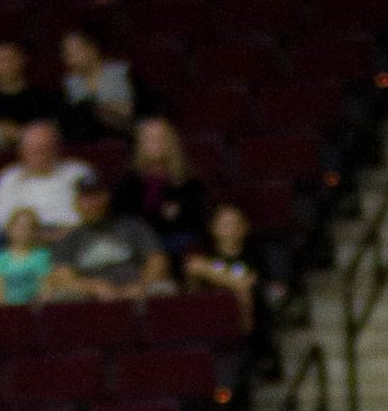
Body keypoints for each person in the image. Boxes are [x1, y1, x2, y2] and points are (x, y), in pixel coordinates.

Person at [43, 173, 171, 302]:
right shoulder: (70, 239)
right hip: (91, 298)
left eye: (97, 196)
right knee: (61, 296)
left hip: (137, 290)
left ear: (108, 198)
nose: (92, 203)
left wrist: (142, 284)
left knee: (164, 289)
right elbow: (63, 277)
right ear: (77, 203)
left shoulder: (133, 226)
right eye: (86, 198)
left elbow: (157, 261)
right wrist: (92, 287)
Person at [112, 117, 207, 263]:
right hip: (138, 245)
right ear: (140, 144)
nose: (156, 142)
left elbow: (196, 221)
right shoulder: (128, 182)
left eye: (161, 138)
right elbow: (123, 218)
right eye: (150, 138)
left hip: (176, 245)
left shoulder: (189, 182)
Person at [0, 120, 92, 241]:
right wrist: (34, 236)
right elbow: (1, 222)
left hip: (71, 239)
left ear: (57, 148)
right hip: (20, 243)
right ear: (22, 151)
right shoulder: (7, 179)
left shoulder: (78, 173)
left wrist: (55, 237)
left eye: (46, 149)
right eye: (34, 150)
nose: (40, 155)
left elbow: (90, 218)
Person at [183, 202, 267, 332]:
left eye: (233, 223)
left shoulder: (255, 255)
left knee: (243, 294)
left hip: (243, 323)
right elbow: (192, 268)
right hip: (205, 314)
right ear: (212, 227)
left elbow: (248, 286)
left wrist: (207, 271)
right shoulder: (203, 251)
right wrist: (234, 282)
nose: (228, 228)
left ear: (244, 228)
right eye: (223, 223)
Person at [58, 25, 145, 140]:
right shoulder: (71, 83)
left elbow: (129, 114)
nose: (70, 59)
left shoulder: (119, 73)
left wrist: (97, 110)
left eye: (75, 52)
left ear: (92, 49)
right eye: (67, 55)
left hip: (122, 136)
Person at [0, 205, 54, 306]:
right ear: (9, 228)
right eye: (18, 226)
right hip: (6, 312)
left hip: (35, 311)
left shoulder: (42, 256)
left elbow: (46, 290)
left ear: (34, 231)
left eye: (27, 226)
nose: (22, 230)